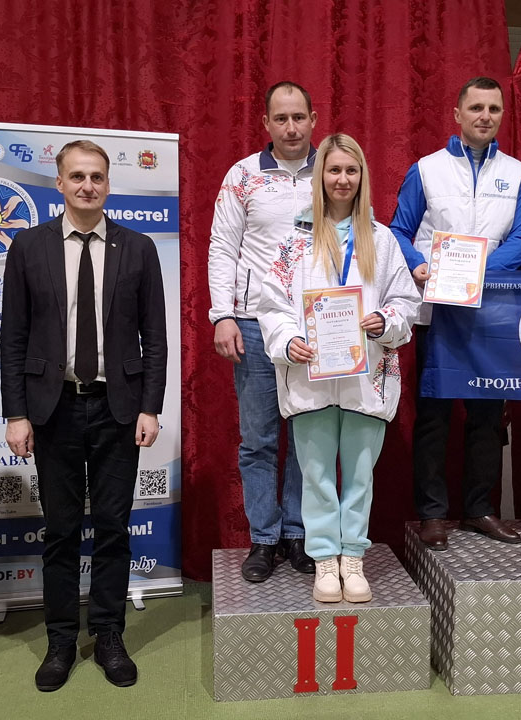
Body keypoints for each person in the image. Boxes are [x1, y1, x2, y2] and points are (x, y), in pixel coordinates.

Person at [1, 140, 168, 690]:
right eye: (77, 176)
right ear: (60, 183)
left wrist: (150, 406)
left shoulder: (138, 247)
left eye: (97, 176)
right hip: (54, 410)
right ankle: (60, 641)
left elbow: (156, 337)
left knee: (114, 528)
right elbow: (13, 338)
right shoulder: (28, 246)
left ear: (109, 185)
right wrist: (16, 414)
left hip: (118, 409)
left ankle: (109, 635)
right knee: (61, 531)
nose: (87, 185)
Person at [259, 133, 420, 602]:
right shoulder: (294, 243)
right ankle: (325, 560)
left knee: (360, 476)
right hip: (311, 378)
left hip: (366, 378)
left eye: (351, 170)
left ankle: (354, 558)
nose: (342, 179)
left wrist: (384, 322)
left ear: (362, 176)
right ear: (320, 177)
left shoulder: (382, 240)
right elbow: (272, 305)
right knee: (316, 477)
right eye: (334, 170)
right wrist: (288, 340)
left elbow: (405, 302)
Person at [391, 76, 521, 550]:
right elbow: (398, 231)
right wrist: (418, 264)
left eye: (494, 108)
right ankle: (432, 513)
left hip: (492, 312)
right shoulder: (427, 169)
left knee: (488, 416)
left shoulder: (516, 172)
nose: (485, 116)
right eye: (476, 107)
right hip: (437, 313)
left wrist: (475, 270)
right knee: (434, 416)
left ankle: (479, 509)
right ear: (457, 114)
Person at [208, 81, 318, 582]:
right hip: (253, 325)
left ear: (313, 120)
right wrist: (222, 314)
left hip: (316, 324)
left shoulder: (332, 170)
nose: (291, 128)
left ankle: (297, 534)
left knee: (308, 438)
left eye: (299, 117)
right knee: (258, 440)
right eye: (281, 118)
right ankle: (264, 539)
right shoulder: (242, 176)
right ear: (266, 123)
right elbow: (221, 248)